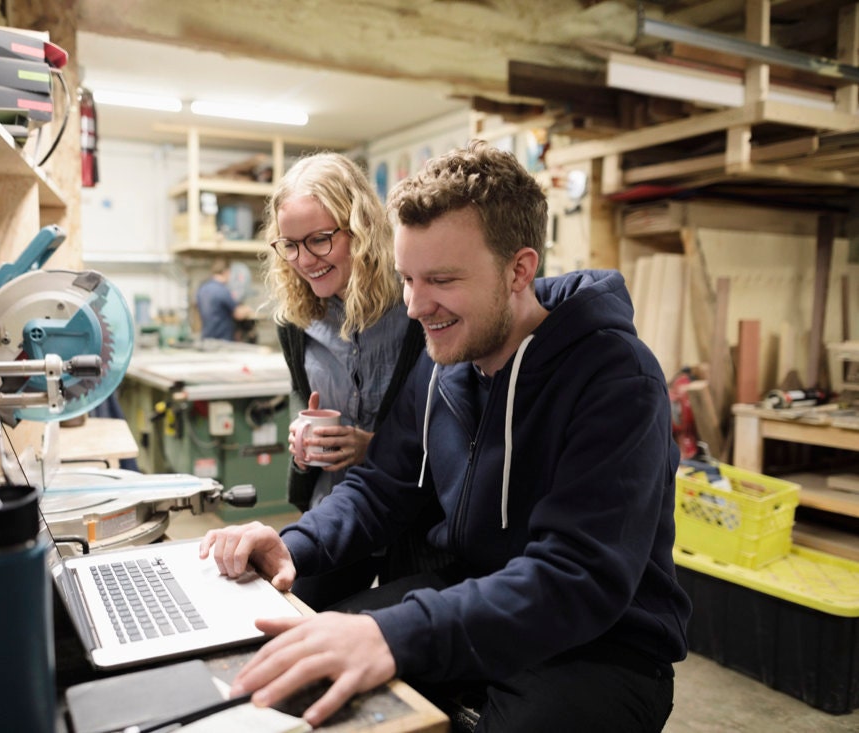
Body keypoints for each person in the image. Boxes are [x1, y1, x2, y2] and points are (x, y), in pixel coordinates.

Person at [199, 140, 692, 732]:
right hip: (469, 595)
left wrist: (393, 632)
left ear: (519, 270)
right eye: (408, 278)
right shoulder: (446, 362)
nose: (413, 306)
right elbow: (382, 487)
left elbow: (578, 577)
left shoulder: (617, 378)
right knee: (297, 666)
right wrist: (293, 543)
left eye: (440, 280)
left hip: (600, 643)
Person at [259, 151, 446, 610]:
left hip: (412, 517)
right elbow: (310, 406)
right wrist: (303, 447)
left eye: (320, 239)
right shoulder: (297, 322)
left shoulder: (415, 308)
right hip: (336, 510)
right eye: (290, 244)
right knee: (299, 615)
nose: (305, 259)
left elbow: (450, 427)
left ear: (360, 227)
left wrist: (373, 446)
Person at [195, 257, 254, 341]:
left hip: (206, 338)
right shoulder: (223, 291)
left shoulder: (202, 288)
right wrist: (248, 309)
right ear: (226, 272)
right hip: (222, 339)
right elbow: (238, 314)